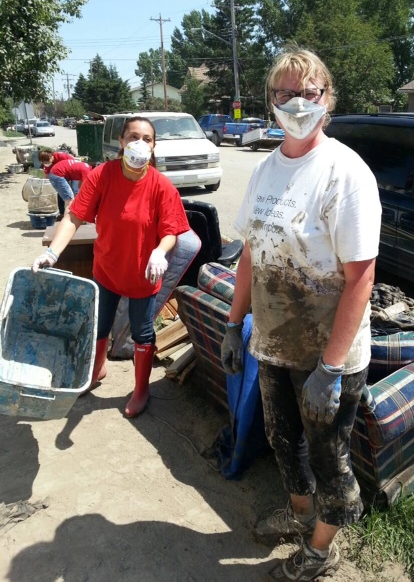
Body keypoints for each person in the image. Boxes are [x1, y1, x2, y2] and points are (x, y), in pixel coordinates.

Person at [221, 47, 381, 581]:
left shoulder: (345, 173)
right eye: (284, 93)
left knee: (330, 458)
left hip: (327, 355)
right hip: (271, 344)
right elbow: (249, 254)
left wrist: (331, 368)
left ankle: (320, 551)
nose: (296, 102)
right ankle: (299, 515)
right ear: (270, 102)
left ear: (326, 99)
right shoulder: (265, 170)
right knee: (283, 441)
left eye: (307, 92)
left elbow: (361, 277)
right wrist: (230, 323)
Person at [32, 116, 190, 418]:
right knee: (100, 325)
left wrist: (160, 250)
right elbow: (74, 217)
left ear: (154, 146)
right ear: (121, 141)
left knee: (143, 334)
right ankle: (98, 369)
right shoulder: (102, 175)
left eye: (147, 139)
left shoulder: (162, 186)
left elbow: (171, 231)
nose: (139, 144)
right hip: (106, 271)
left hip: (144, 276)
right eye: (133, 137)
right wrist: (52, 252)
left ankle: (141, 388)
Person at [38, 150, 77, 217]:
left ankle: (78, 212)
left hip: (73, 171)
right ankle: (62, 213)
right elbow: (47, 175)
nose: (46, 163)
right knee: (60, 192)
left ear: (51, 156)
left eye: (47, 161)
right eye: (44, 162)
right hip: (60, 175)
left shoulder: (61, 156)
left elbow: (75, 163)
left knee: (75, 190)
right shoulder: (47, 163)